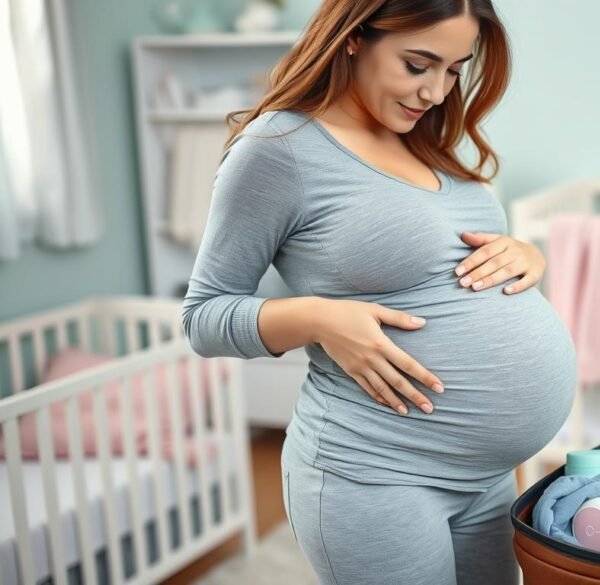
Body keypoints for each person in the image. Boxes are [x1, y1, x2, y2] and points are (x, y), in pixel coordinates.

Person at [181, 1, 577, 583]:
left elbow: (441, 259)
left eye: (453, 70)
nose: (436, 92)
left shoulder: (423, 138)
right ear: (352, 39)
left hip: (486, 476)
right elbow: (204, 316)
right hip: (375, 470)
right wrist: (317, 318)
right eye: (417, 65)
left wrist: (527, 254)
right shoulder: (278, 148)